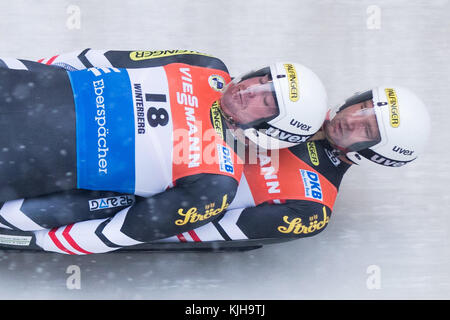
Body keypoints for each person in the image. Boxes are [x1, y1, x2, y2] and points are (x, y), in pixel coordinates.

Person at [0, 83, 430, 253]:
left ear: (375, 153)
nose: (352, 118)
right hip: (122, 139)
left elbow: (195, 231)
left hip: (139, 194)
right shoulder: (291, 102)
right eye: (362, 107)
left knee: (19, 215)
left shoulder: (311, 207)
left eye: (367, 128)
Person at [0, 49, 328, 250]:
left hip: (15, 163)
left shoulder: (216, 182)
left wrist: (31, 241)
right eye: (261, 79)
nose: (250, 89)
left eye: (266, 100)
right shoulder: (204, 65)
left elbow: (119, 233)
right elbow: (87, 60)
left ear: (270, 131)